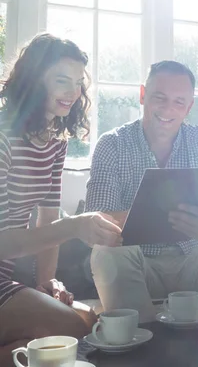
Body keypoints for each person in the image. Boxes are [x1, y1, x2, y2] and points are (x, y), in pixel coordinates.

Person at [86, 60, 198, 322]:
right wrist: (150, 215)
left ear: (190, 107)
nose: (168, 109)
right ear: (142, 95)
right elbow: (95, 223)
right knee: (105, 248)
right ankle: (141, 339)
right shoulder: (112, 145)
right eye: (159, 97)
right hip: (137, 264)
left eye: (179, 102)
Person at [0, 34, 122, 364]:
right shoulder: (3, 137)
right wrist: (75, 227)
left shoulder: (56, 141)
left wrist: (47, 284)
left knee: (88, 322)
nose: (73, 92)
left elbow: (47, 221)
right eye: (61, 80)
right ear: (33, 78)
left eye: (79, 82)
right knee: (70, 328)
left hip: (5, 280)